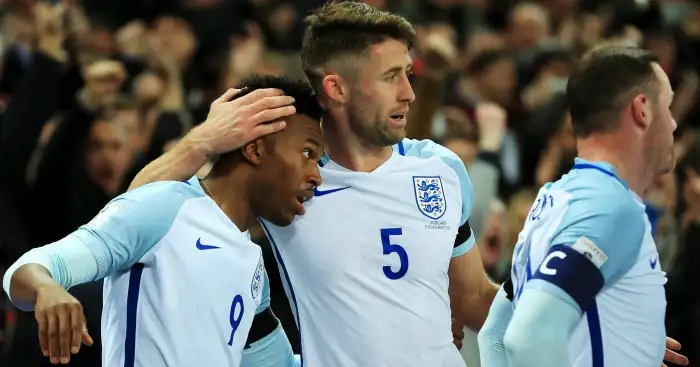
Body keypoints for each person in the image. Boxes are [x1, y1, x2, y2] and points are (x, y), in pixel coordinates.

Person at [130, 2, 499, 366]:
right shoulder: (288, 177)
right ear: (336, 89)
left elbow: (474, 298)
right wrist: (202, 141)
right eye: (390, 77)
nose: (408, 93)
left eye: (407, 73)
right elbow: (134, 210)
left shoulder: (439, 167)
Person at [2, 75, 322, 367]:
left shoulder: (252, 266)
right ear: (254, 149)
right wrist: (47, 288)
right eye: (308, 153)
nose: (316, 177)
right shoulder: (165, 208)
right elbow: (29, 268)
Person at [477, 46, 690, 367]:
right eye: (668, 107)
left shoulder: (555, 199)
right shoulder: (609, 206)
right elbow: (528, 337)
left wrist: (627, 342)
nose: (673, 124)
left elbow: (494, 334)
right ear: (642, 110)